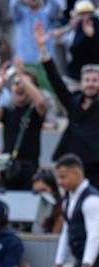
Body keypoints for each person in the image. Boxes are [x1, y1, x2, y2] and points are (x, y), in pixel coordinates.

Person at [35, 23, 99, 188]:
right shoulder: (73, 102)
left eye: (95, 80)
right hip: (72, 163)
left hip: (96, 167)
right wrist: (43, 49)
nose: (91, 84)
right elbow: (56, 82)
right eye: (87, 80)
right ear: (81, 83)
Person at [0, 58, 46, 190]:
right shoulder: (8, 111)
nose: (20, 87)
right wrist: (1, 84)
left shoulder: (35, 111)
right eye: (16, 84)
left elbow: (41, 103)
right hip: (9, 166)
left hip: (29, 167)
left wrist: (21, 76)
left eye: (24, 85)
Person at [32, 168, 64, 234]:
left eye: (43, 190)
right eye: (37, 192)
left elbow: (53, 237)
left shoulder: (60, 209)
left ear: (53, 191)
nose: (41, 195)